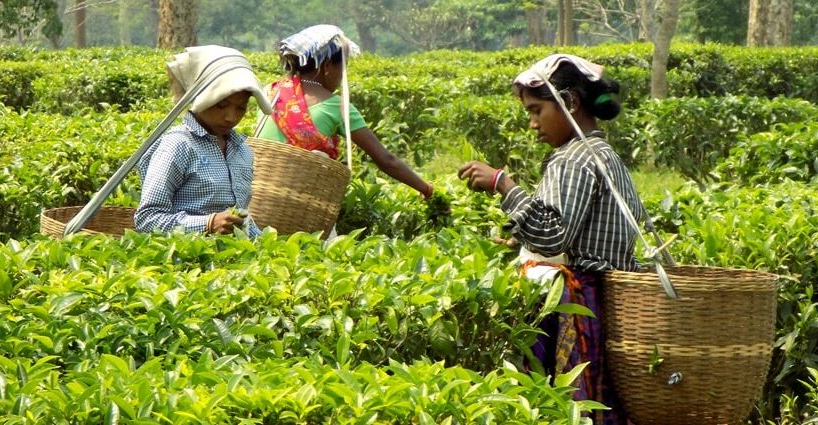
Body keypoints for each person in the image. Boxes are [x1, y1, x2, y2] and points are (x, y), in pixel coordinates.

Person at [458, 54, 642, 424]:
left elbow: (553, 235)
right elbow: (582, 232)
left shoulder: (573, 159)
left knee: (564, 405)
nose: (532, 123)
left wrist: (503, 185)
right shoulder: (604, 154)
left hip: (574, 305)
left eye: (536, 110)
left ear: (570, 103)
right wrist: (520, 244)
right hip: (601, 300)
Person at [256, 24, 436, 200]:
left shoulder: (269, 92)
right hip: (303, 204)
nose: (343, 75)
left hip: (258, 194)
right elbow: (386, 160)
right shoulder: (337, 107)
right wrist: (426, 189)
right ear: (327, 66)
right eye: (343, 66)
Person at [134, 45, 262, 237]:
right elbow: (147, 219)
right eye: (221, 105)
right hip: (188, 260)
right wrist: (207, 224)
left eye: (241, 108)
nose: (231, 117)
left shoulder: (241, 150)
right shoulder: (178, 145)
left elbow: (241, 220)